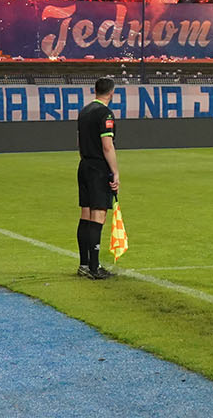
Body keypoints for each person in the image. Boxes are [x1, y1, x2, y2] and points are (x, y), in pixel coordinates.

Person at [75, 77, 120, 278]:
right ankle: (95, 268)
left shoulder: (84, 112)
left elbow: (79, 141)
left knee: (85, 214)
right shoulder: (105, 113)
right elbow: (107, 146)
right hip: (98, 168)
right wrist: (115, 172)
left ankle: (84, 264)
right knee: (98, 215)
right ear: (111, 92)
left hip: (84, 165)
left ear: (95, 91)